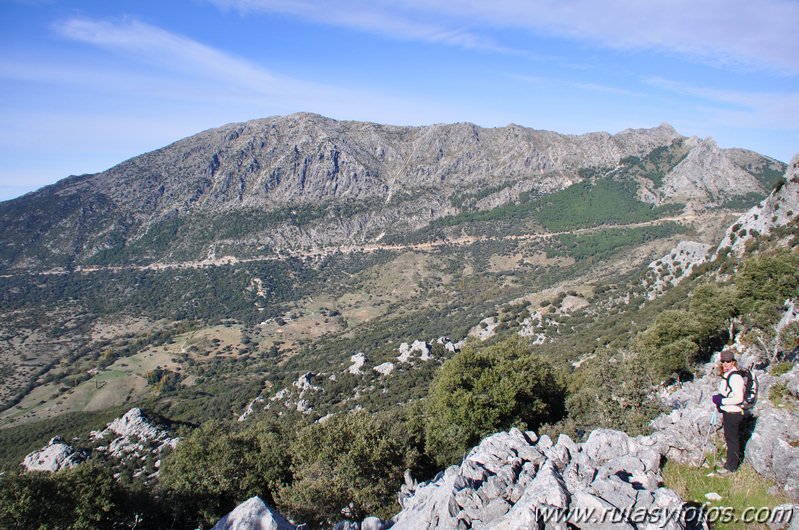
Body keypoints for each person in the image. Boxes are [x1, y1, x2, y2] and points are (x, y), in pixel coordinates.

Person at [711, 348, 747, 475]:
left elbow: (738, 398)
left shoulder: (735, 377)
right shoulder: (730, 375)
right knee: (730, 439)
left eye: (728, 361)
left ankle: (732, 468)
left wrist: (722, 402)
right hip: (730, 412)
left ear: (733, 362)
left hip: (733, 413)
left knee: (732, 440)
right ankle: (730, 462)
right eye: (723, 362)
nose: (725, 364)